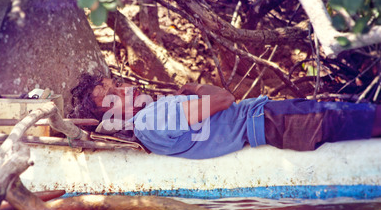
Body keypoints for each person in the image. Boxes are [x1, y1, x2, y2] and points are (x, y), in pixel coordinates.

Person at [69, 74, 381, 159]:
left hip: (272, 120)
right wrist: (194, 86)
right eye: (113, 95)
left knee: (365, 118)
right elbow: (223, 99)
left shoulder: (149, 120)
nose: (125, 89)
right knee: (367, 118)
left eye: (118, 84)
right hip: (274, 121)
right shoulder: (150, 119)